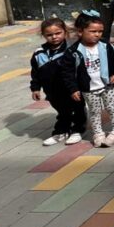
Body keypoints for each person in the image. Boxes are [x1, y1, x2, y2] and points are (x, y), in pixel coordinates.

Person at [63, 12, 114, 147]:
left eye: (100, 31)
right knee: (94, 111)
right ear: (80, 31)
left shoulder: (105, 46)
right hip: (88, 89)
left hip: (107, 85)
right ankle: (98, 134)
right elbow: (68, 72)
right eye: (93, 31)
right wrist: (73, 89)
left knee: (112, 107)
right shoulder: (73, 51)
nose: (97, 34)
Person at [30, 18, 85, 146]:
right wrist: (35, 88)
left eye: (58, 33)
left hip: (72, 88)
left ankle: (77, 129)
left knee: (77, 109)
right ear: (43, 35)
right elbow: (35, 73)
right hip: (52, 91)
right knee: (62, 111)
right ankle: (61, 131)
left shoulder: (72, 49)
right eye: (49, 35)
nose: (54, 37)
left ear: (65, 32)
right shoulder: (39, 53)